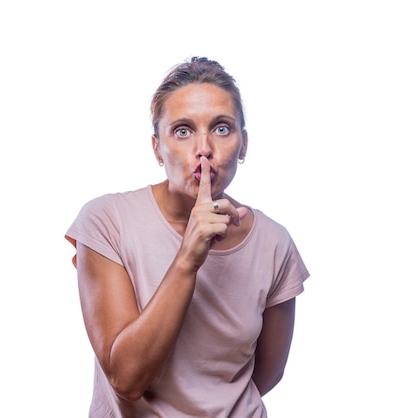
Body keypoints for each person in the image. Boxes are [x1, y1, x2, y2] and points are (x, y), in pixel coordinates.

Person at [65, 56, 310, 417]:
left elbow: (266, 376)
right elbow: (126, 379)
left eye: (222, 128)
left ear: (243, 145)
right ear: (156, 148)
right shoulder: (107, 221)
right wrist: (187, 260)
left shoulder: (275, 243)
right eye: (182, 130)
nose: (204, 148)